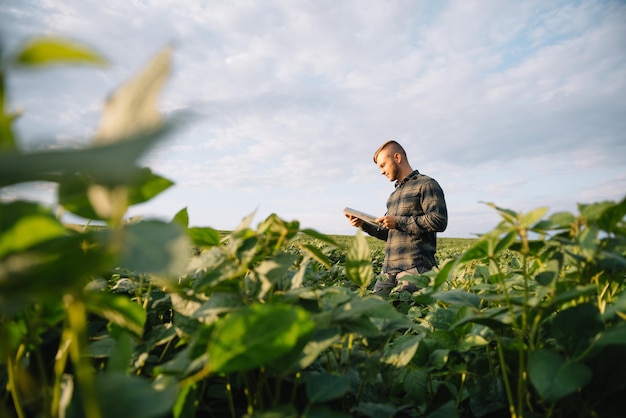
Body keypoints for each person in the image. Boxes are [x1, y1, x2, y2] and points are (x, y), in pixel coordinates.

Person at [345, 140, 448, 295]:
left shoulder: (426, 184)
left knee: (406, 316)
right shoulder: (393, 196)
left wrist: (398, 221)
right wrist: (364, 225)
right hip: (388, 270)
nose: (381, 171)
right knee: (373, 311)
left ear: (397, 158)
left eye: (383, 165)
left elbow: (438, 220)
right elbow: (391, 234)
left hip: (415, 268)